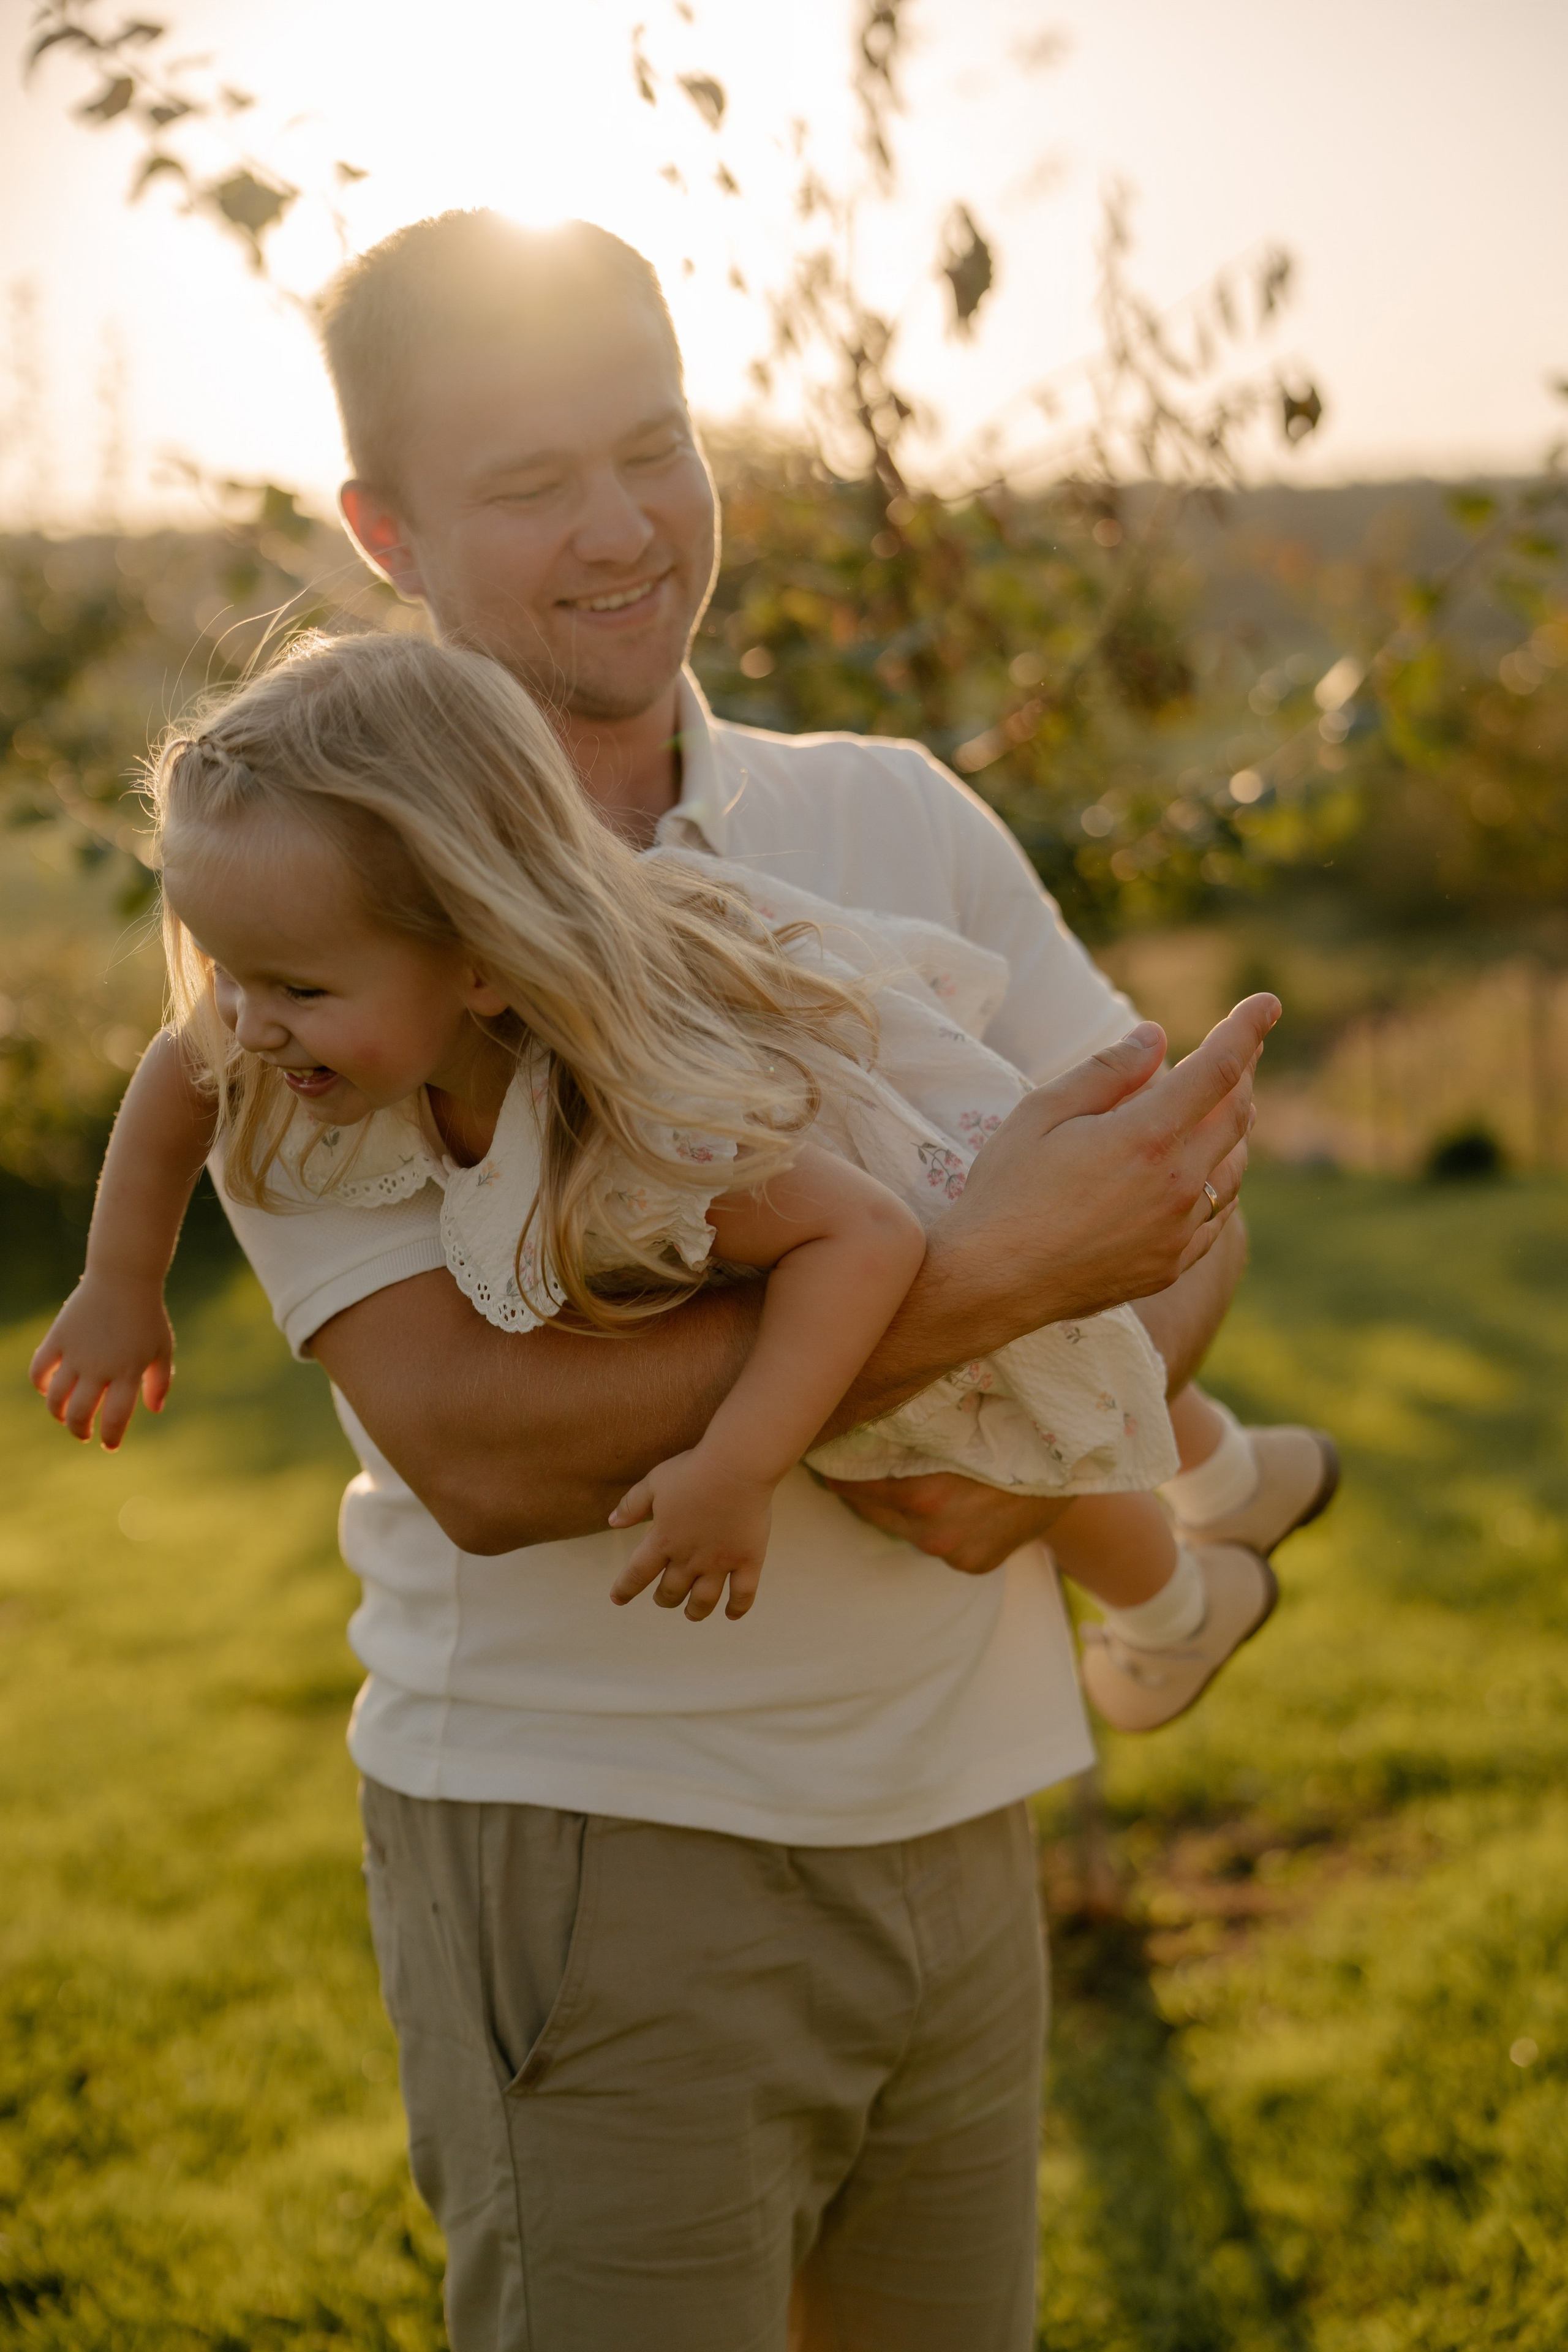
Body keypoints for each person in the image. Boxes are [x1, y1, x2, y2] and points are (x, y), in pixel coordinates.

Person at [40, 211, 1331, 2350]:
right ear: (386, 527)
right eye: (532, 484)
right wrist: (991, 1285)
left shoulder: (894, 821)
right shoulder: (326, 921)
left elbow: (1172, 1203)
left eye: (655, 446)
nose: (626, 527)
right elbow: (475, 1445)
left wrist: (1038, 1446)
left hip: (964, 1807)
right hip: (602, 1855)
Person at [33, 629, 1272, 1676]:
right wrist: (120, 1281)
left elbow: (868, 1237)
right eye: (232, 973)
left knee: (996, 1410)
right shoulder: (294, 999)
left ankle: (1179, 1612)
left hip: (883, 1198)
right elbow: (184, 1069)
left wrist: (736, 1466)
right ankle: (1229, 1492)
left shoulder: (637, 1119)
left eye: (291, 988)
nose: (249, 1024)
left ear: (478, 961)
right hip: (830, 1227)